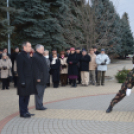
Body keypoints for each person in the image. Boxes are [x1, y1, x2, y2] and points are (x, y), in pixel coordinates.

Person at [17, 41, 37, 118]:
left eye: (31, 46)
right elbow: (20, 69)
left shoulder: (28, 55)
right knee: (22, 97)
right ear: (24, 47)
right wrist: (22, 80)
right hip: (24, 79)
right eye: (29, 46)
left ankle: (26, 110)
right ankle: (22, 112)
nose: (30, 48)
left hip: (29, 80)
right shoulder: (20, 55)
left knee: (27, 96)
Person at [32, 45, 49, 110]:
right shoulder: (35, 57)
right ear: (37, 50)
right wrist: (37, 77)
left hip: (43, 78)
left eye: (43, 49)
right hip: (39, 78)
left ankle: (40, 104)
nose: (43, 50)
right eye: (42, 49)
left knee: (41, 93)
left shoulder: (41, 56)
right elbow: (35, 69)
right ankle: (39, 106)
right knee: (39, 93)